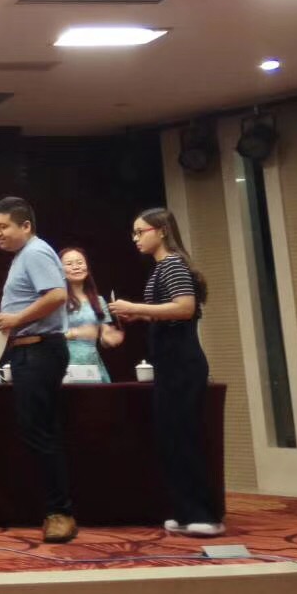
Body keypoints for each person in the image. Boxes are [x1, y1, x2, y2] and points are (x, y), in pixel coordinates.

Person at [109, 209, 224, 537]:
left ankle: (204, 515)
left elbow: (185, 308)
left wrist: (134, 307)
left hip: (182, 362)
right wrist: (142, 316)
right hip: (170, 361)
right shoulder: (162, 267)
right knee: (172, 437)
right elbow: (169, 311)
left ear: (161, 231)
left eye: (140, 231)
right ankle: (187, 512)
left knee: (185, 436)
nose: (135, 238)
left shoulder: (172, 263)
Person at [0, 196, 76, 544]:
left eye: (3, 226)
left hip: (40, 350)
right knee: (38, 430)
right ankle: (55, 507)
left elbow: (56, 295)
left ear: (26, 226)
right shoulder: (23, 255)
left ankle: (60, 512)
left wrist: (16, 319)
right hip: (29, 350)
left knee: (39, 432)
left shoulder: (36, 252)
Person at [59, 247, 124, 382]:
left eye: (80, 262)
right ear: (60, 270)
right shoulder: (57, 300)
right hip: (64, 363)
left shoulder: (99, 300)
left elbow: (104, 337)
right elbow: (47, 335)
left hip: (92, 365)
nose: (76, 267)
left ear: (87, 267)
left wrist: (108, 338)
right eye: (69, 264)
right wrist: (76, 333)